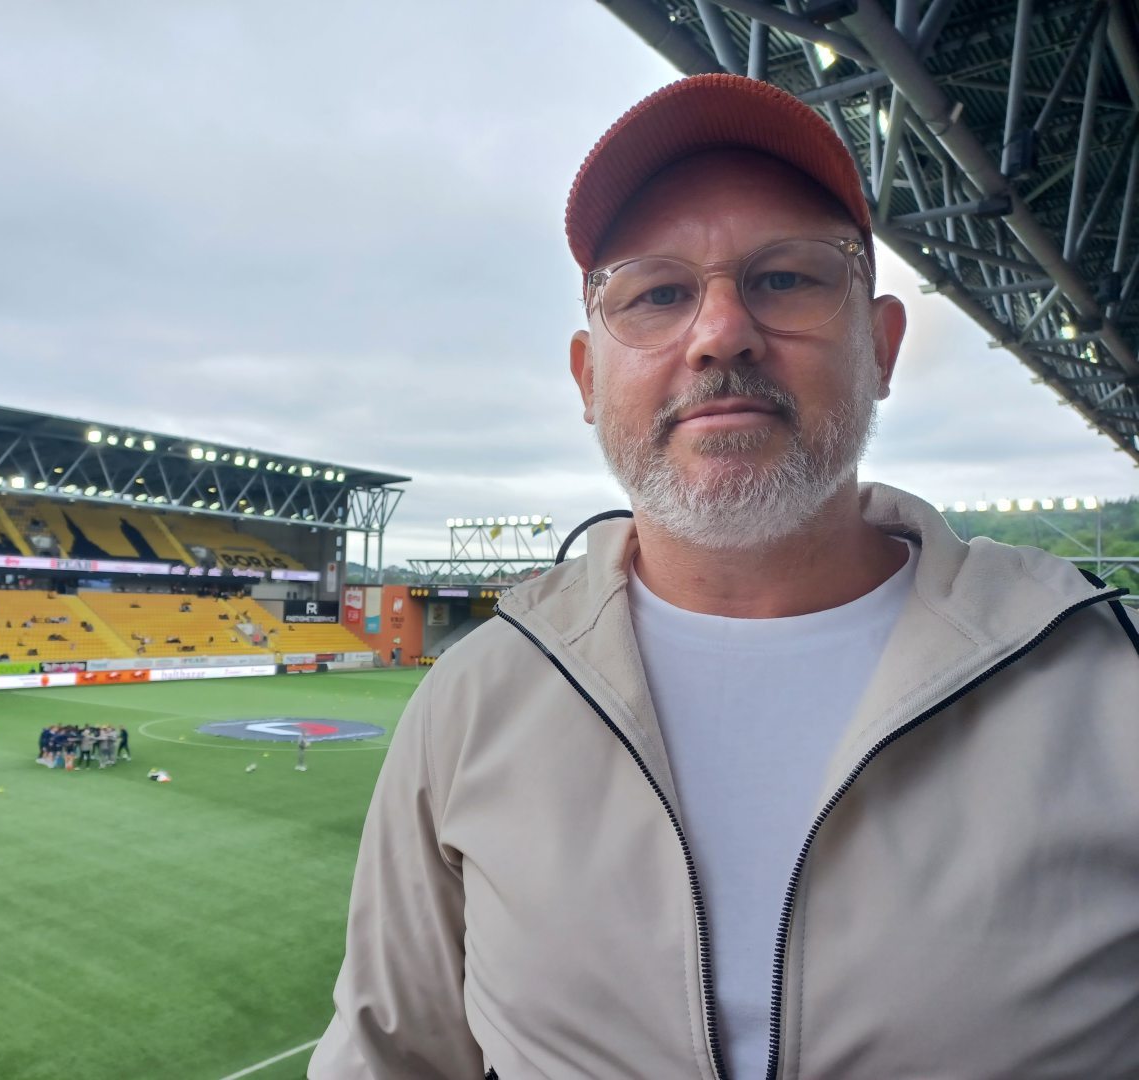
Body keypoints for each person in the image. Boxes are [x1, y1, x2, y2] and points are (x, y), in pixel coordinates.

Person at [310, 75, 1139, 1079]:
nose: (719, 333)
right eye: (656, 294)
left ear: (880, 347)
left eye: (786, 278)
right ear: (585, 378)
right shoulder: (473, 704)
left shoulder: (1109, 684)